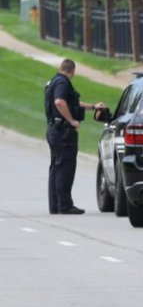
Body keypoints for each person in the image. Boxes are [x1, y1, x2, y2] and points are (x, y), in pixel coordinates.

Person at [45, 57, 105, 215]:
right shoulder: (63, 83)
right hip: (63, 132)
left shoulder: (54, 81)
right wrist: (71, 120)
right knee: (65, 168)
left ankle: (56, 205)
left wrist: (93, 106)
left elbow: (72, 102)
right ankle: (64, 205)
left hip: (54, 130)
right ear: (72, 71)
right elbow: (59, 102)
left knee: (56, 168)